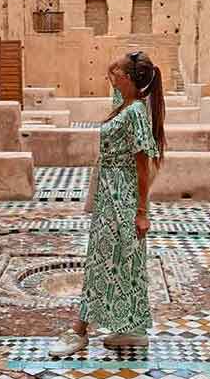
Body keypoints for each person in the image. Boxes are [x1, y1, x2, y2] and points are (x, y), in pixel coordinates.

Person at [49, 50, 166, 357]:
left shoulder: (135, 112)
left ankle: (80, 330)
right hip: (110, 194)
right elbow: (113, 74)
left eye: (115, 74)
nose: (109, 76)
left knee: (103, 261)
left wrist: (141, 211)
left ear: (127, 79)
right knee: (123, 259)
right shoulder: (123, 105)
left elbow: (144, 163)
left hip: (123, 198)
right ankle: (133, 329)